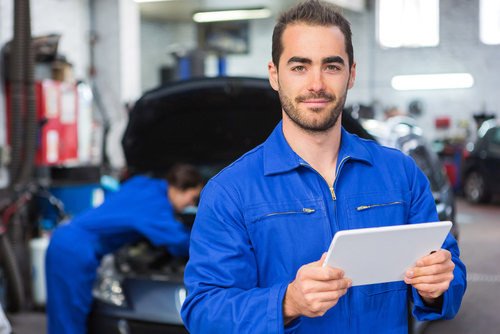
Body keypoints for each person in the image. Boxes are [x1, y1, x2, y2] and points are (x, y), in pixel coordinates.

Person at [180, 1, 466, 333]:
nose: (316, 83)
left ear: (351, 74)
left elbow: (450, 275)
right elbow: (203, 312)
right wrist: (287, 303)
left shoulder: (401, 174)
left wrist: (439, 285)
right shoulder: (230, 191)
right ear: (275, 75)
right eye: (299, 67)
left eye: (331, 66)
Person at [45, 164, 203, 334]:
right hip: (75, 249)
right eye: (193, 198)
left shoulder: (142, 184)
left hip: (65, 240)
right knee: (70, 317)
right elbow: (181, 243)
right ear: (180, 188)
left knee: (62, 314)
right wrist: (211, 248)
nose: (191, 205)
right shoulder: (155, 207)